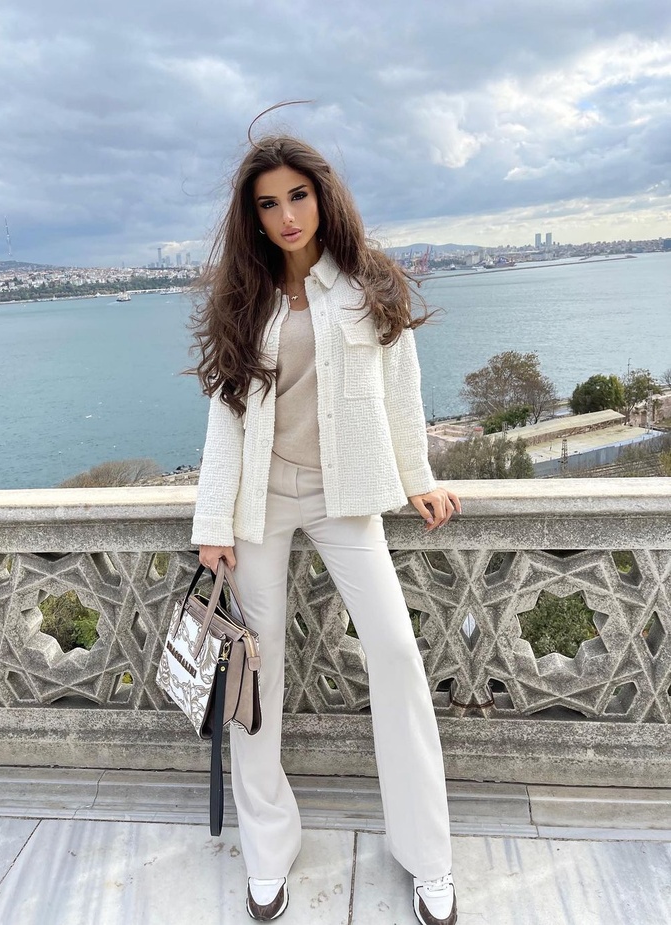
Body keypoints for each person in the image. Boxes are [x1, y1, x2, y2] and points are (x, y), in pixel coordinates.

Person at [189, 132, 461, 925]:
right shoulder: (245, 298)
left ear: (322, 195)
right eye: (269, 203)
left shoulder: (370, 281)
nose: (286, 215)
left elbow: (402, 388)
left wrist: (418, 477)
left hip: (347, 497)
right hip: (260, 502)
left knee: (397, 654)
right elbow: (225, 419)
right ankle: (267, 848)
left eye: (297, 196)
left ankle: (428, 854)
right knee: (257, 673)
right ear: (253, 215)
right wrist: (214, 519)